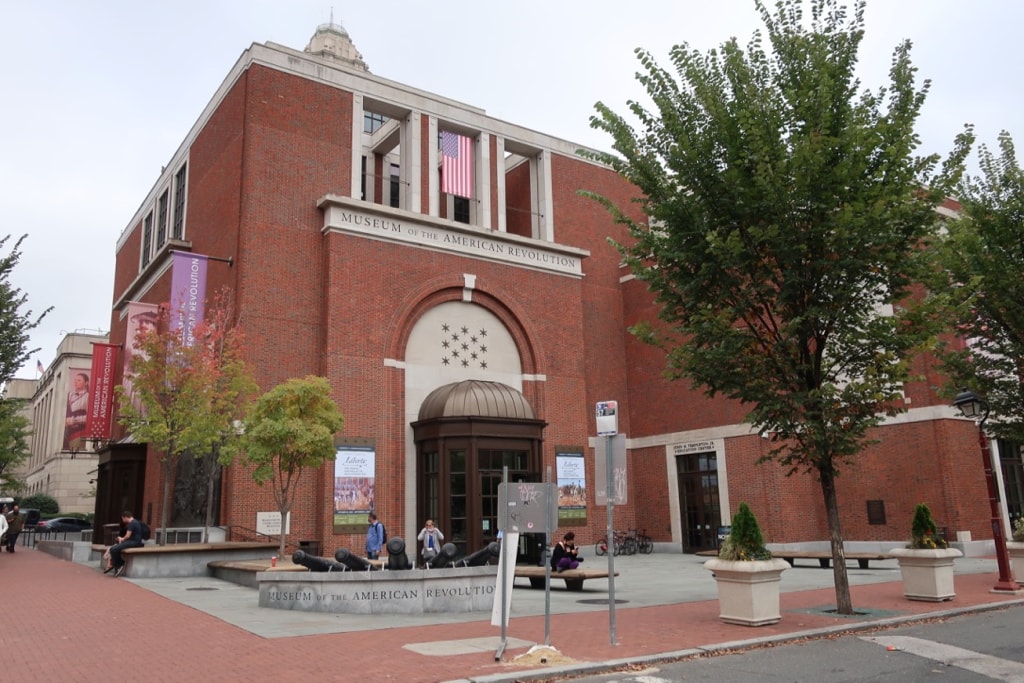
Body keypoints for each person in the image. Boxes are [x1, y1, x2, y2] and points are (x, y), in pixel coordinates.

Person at [107, 511, 145, 577]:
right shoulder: (135, 522)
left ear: (125, 517)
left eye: (122, 519)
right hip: (134, 541)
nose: (123, 520)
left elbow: (127, 536)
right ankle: (116, 564)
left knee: (113, 549)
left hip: (134, 542)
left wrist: (121, 539)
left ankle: (120, 563)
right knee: (113, 548)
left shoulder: (132, 523)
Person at [63, 371, 90, 450]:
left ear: (86, 383)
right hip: (66, 432)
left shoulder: (88, 396)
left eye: (79, 380)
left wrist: (74, 420)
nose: (76, 382)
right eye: (75, 380)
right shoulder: (70, 394)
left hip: (78, 432)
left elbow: (90, 417)